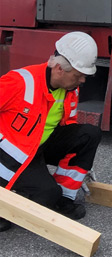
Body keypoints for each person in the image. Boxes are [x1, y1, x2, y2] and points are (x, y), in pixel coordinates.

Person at [0, 32, 101, 228]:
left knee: (89, 134)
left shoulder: (70, 89)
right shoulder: (20, 82)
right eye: (78, 75)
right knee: (46, 195)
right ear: (59, 69)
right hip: (10, 155)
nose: (82, 81)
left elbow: (68, 127)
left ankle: (64, 197)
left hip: (37, 148)